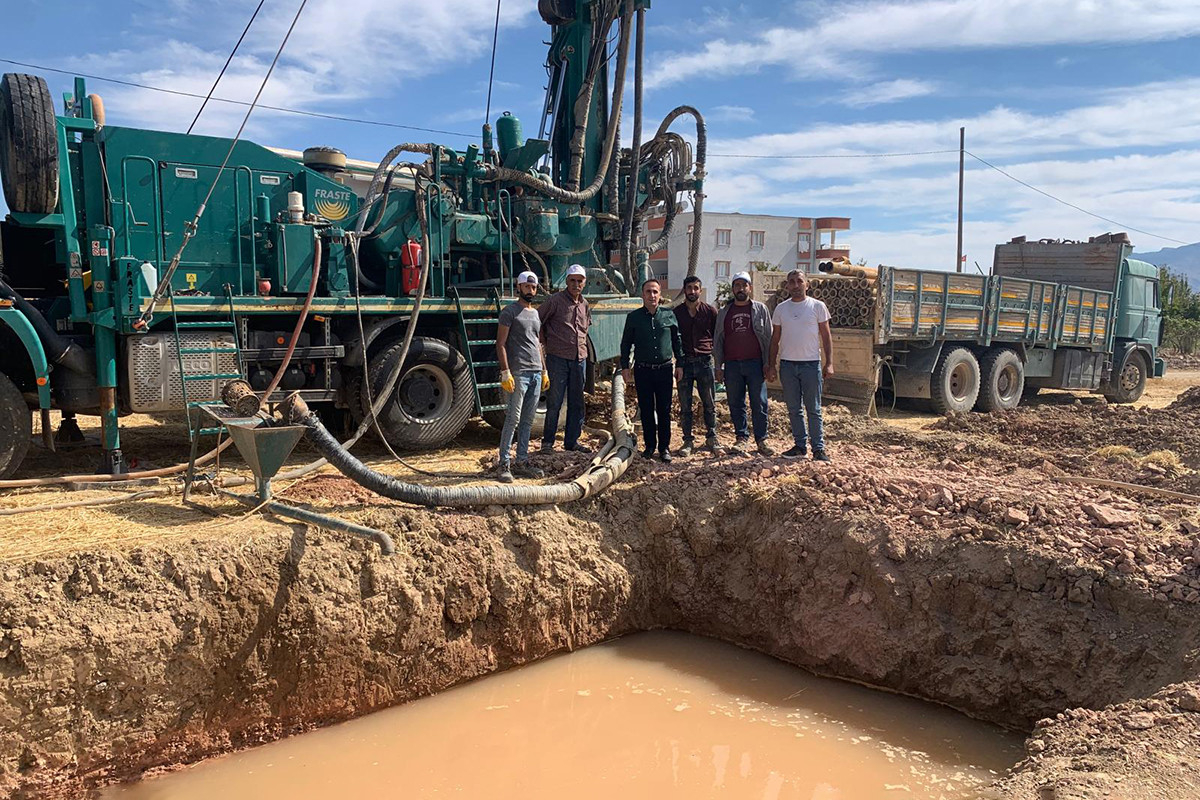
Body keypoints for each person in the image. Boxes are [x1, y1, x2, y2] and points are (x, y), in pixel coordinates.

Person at [767, 269, 834, 461]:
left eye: (799, 281)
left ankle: (819, 449)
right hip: (788, 366)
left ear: (807, 284)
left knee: (813, 408)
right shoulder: (781, 309)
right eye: (791, 282)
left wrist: (829, 363)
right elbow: (775, 339)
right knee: (794, 408)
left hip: (811, 365)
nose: (796, 285)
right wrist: (772, 366)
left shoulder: (817, 307)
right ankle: (799, 446)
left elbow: (826, 337)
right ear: (787, 286)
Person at [494, 272, 550, 483]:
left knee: (527, 420)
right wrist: (505, 371)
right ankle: (504, 464)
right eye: (527, 287)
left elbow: (537, 343)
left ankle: (523, 461)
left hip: (536, 372)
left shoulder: (535, 314)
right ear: (519, 287)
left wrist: (544, 370)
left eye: (533, 287)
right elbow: (500, 343)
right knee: (513, 419)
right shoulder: (509, 312)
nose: (530, 290)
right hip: (519, 373)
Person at [713, 271, 775, 456]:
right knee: (735, 402)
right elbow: (718, 340)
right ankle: (741, 438)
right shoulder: (725, 312)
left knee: (760, 402)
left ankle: (761, 440)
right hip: (732, 365)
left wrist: (768, 363)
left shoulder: (760, 309)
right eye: (737, 285)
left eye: (744, 285)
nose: (741, 288)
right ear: (732, 289)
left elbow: (768, 337)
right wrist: (719, 366)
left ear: (750, 288)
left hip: (755, 364)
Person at [621, 278, 683, 462]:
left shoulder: (668, 315)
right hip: (643, 371)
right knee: (646, 410)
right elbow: (626, 344)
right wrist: (625, 367)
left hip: (664, 370)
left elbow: (677, 341)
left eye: (655, 291)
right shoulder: (634, 318)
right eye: (648, 291)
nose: (652, 295)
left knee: (664, 410)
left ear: (660, 294)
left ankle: (664, 448)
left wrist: (680, 364)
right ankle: (649, 447)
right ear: (643, 295)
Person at [539, 264, 592, 454]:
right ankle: (547, 443)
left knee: (577, 402)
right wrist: (543, 343)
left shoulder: (585, 305)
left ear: (584, 283)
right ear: (567, 281)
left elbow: (586, 329)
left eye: (580, 281)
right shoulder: (555, 301)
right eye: (572, 280)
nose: (576, 284)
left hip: (580, 359)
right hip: (558, 359)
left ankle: (572, 442)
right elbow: (537, 321)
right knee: (555, 401)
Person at [673, 275, 723, 456]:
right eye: (689, 288)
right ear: (684, 290)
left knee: (709, 403)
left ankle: (712, 436)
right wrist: (677, 363)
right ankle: (687, 441)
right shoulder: (676, 313)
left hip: (704, 363)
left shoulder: (710, 311)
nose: (692, 292)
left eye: (696, 288)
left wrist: (719, 364)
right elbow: (674, 340)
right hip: (684, 364)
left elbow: (718, 338)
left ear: (700, 291)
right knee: (685, 406)